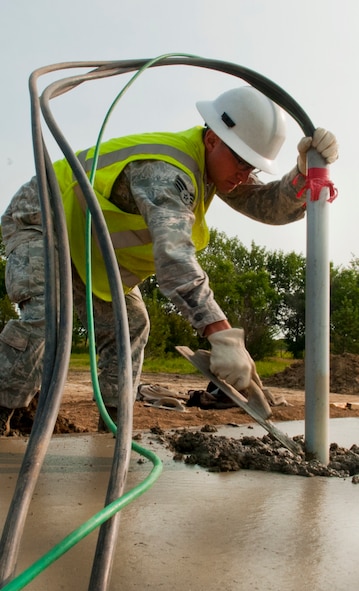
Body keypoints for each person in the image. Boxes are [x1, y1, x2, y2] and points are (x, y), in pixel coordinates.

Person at [0, 86, 338, 435]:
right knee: (49, 313)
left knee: (131, 322)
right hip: (44, 220)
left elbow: (262, 204)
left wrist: (302, 176)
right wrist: (221, 334)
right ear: (212, 139)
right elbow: (175, 257)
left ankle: (115, 428)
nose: (243, 175)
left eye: (251, 167)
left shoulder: (213, 168)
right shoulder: (166, 172)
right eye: (240, 161)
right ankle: (2, 410)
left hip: (90, 248)